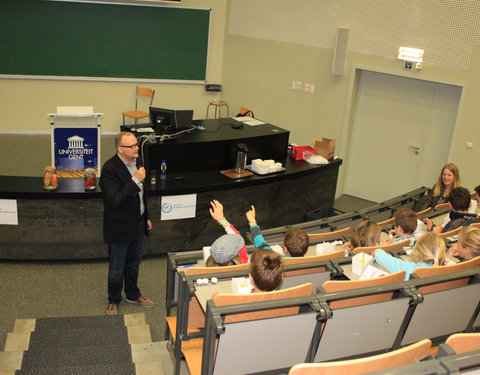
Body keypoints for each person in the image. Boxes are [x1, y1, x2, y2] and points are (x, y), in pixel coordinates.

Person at [100, 131, 154, 316]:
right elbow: (115, 200)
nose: (136, 148)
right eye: (131, 146)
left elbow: (141, 196)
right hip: (119, 227)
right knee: (117, 268)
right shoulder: (109, 170)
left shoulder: (136, 164)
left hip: (137, 224)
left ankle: (132, 294)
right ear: (120, 149)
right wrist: (135, 180)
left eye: (136, 145)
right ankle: (113, 299)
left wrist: (146, 216)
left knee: (134, 263)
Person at [374, 233, 446, 280]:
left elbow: (379, 254)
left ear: (417, 252)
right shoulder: (444, 270)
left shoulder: (410, 269)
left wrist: (380, 249)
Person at [206, 200, 248, 266]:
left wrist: (220, 219)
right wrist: (221, 219)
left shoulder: (207, 271)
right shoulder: (242, 265)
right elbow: (238, 237)